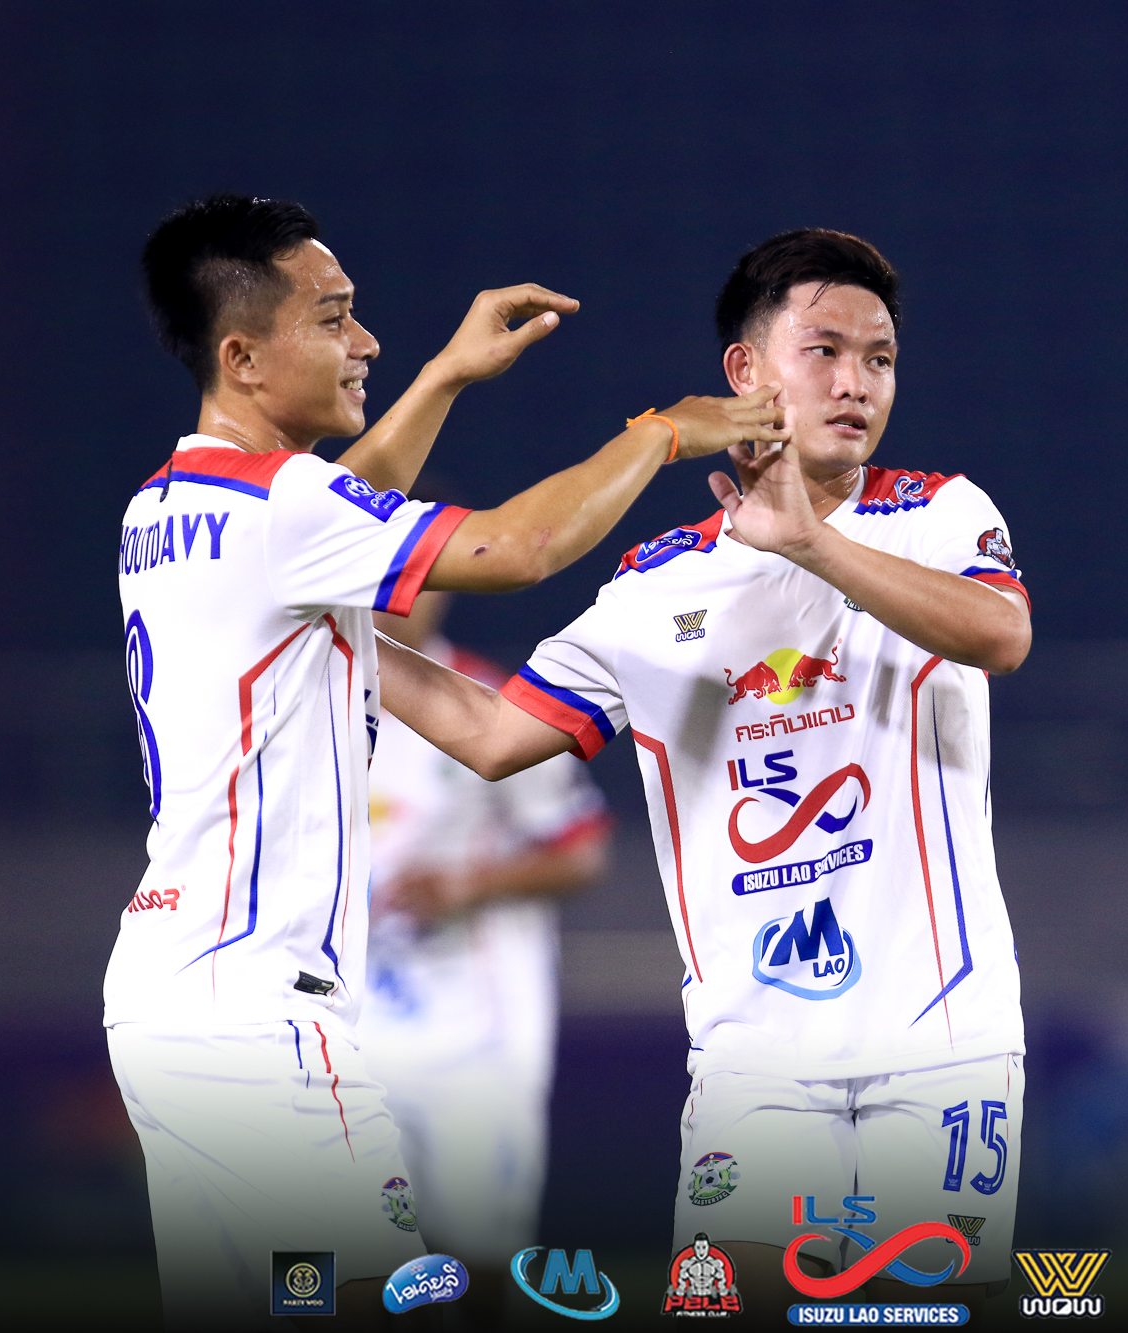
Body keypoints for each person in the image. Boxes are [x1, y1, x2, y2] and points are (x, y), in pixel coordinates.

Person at [107, 193, 786, 1329]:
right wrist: (663, 433)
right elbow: (518, 549)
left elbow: (341, 504)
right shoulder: (282, 508)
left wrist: (444, 379)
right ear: (242, 356)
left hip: (166, 996)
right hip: (261, 1012)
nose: (364, 341)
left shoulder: (164, 505)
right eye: (333, 318)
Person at [375, 229, 1031, 1315]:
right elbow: (492, 735)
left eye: (878, 359)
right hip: (753, 1071)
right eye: (824, 351)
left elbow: (999, 635)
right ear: (745, 370)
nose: (856, 383)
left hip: (945, 1047)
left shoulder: (939, 513)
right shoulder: (655, 586)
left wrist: (809, 542)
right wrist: (337, 643)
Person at [359, 580, 613, 1329]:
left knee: (481, 1255)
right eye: (377, 581)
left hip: (477, 1027)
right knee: (353, 1256)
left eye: (413, 582)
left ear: (442, 591)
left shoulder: (488, 703)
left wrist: (467, 885)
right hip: (350, 1025)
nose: (393, 602)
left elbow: (582, 852)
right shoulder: (312, 699)